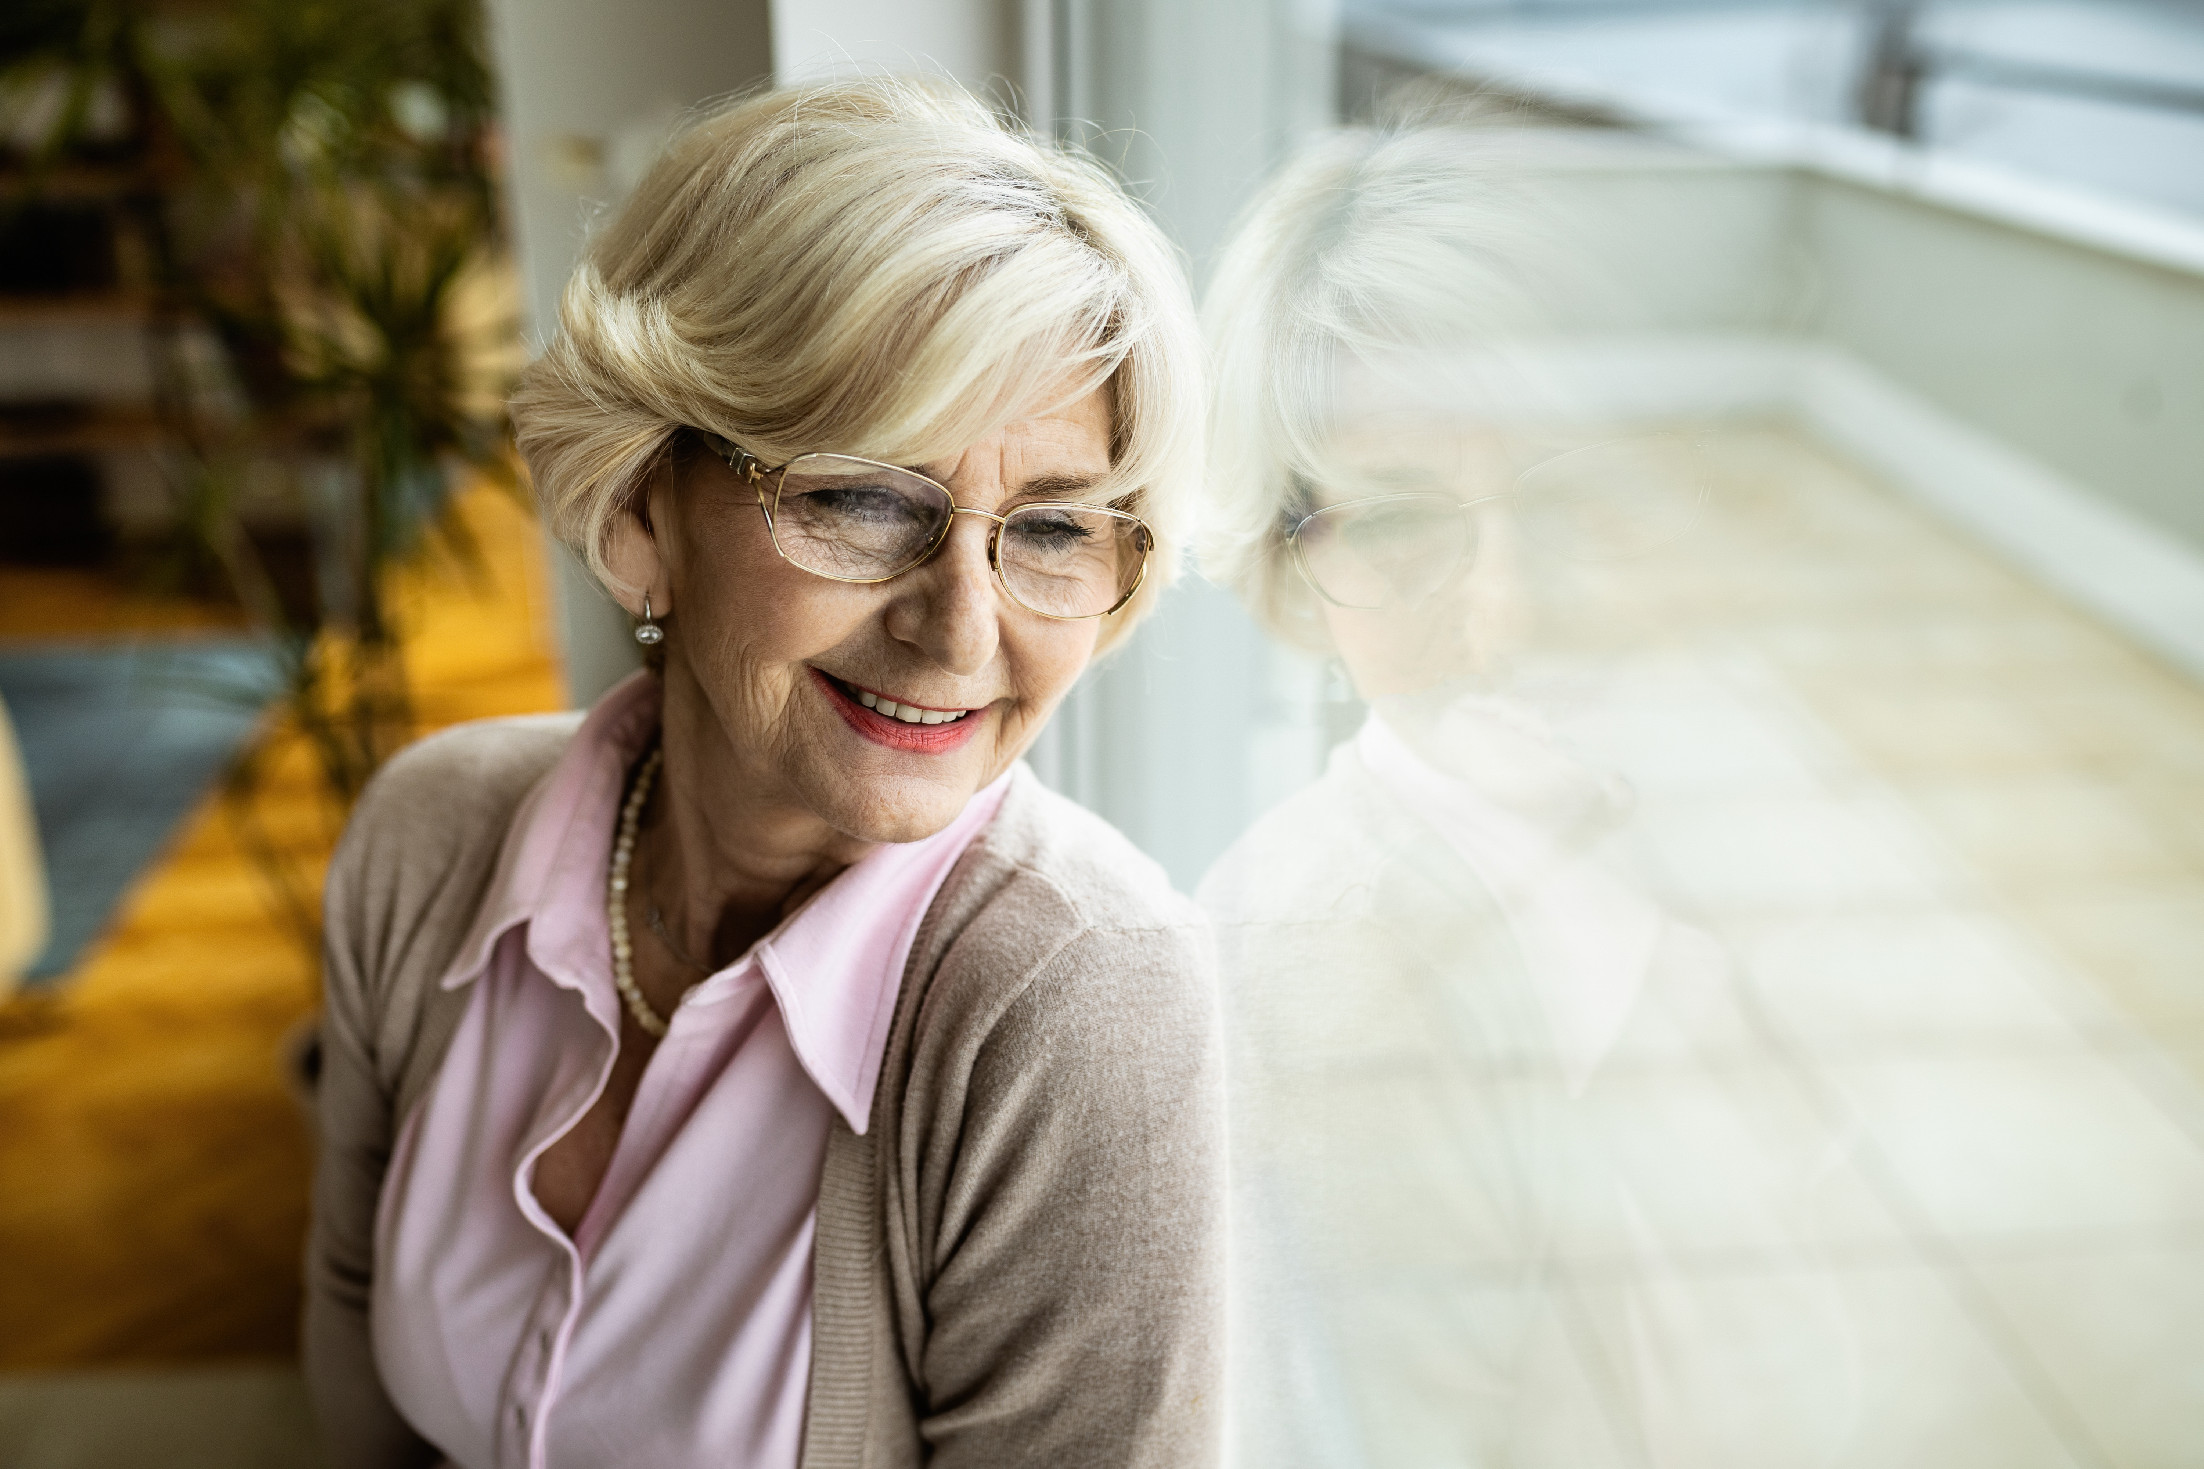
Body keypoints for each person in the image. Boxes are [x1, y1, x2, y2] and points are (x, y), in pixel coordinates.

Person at [303, 78, 1221, 1469]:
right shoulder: (429, 834)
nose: (960, 630)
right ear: (639, 508)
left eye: (1052, 531)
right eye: (860, 497)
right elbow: (356, 1362)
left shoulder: (1083, 1004)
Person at [1196, 121, 1859, 1469]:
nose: (1510, 615)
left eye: (1560, 500)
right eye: (1392, 518)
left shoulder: (1676, 824)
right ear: (1290, 558)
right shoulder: (1325, 973)